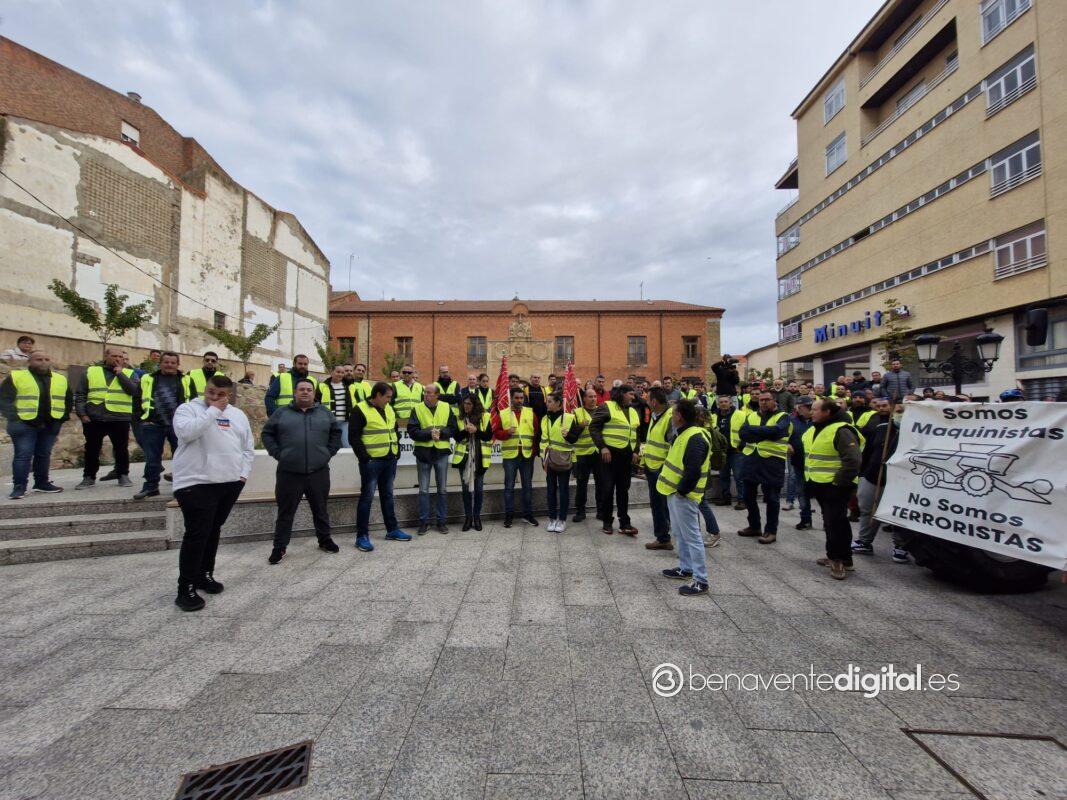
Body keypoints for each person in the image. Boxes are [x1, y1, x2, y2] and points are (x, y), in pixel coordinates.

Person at [171, 374, 255, 611]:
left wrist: (242, 475)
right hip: (195, 482)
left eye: (221, 395)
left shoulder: (238, 415)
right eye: (211, 393)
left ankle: (204, 574)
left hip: (228, 482)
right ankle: (185, 588)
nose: (214, 397)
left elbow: (247, 447)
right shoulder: (188, 410)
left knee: (213, 530)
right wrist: (213, 410)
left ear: (230, 395)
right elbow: (187, 434)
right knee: (197, 533)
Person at [262, 378, 341, 564]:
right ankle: (279, 547)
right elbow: (267, 434)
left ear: (313, 393)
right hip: (289, 472)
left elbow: (336, 433)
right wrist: (278, 453)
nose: (305, 392)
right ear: (295, 393)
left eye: (309, 389)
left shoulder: (325, 413)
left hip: (318, 471)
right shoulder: (282, 413)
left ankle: (325, 540)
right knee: (286, 512)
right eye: (301, 389)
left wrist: (328, 453)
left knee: (320, 509)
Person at [803, 399, 862, 580]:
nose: (811, 412)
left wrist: (838, 483)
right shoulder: (814, 429)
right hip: (820, 483)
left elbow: (853, 460)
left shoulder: (841, 430)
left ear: (827, 412)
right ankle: (843, 557)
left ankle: (837, 560)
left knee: (834, 523)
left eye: (814, 410)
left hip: (835, 486)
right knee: (835, 521)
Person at [657, 399, 711, 596]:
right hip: (674, 492)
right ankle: (685, 568)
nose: (671, 417)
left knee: (692, 537)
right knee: (679, 533)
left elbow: (693, 470)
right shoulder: (683, 433)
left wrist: (682, 491)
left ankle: (701, 580)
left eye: (673, 414)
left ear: (679, 416)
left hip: (685, 495)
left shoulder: (695, 437)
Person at [350, 381, 412, 551]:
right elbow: (353, 437)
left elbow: (394, 430)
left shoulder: (389, 408)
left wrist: (397, 451)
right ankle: (362, 536)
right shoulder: (359, 409)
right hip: (372, 462)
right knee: (367, 498)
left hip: (389, 459)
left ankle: (392, 530)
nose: (389, 400)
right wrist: (365, 458)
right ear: (377, 395)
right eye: (387, 397)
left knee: (388, 496)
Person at [0, 349, 70, 498]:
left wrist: (62, 418)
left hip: (50, 424)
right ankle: (19, 487)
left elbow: (68, 399)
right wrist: (14, 417)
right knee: (23, 455)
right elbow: (4, 399)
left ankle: (41, 483)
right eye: (39, 359)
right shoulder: (17, 376)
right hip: (24, 424)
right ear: (29, 361)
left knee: (44, 454)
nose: (43, 362)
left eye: (46, 359)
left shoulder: (60, 379)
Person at [852, 400, 909, 563]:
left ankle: (901, 546)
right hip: (873, 475)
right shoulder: (881, 428)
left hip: (900, 481)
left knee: (898, 513)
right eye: (898, 411)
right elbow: (867, 451)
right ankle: (864, 541)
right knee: (868, 509)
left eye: (903, 412)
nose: (900, 415)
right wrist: (862, 473)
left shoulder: (914, 432)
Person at [74, 346, 139, 489]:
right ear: (106, 357)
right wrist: (82, 414)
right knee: (92, 449)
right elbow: (80, 394)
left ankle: (123, 475)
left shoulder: (130, 373)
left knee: (121, 449)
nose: (117, 359)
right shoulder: (91, 371)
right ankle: (88, 477)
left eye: (120, 357)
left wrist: (120, 374)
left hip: (119, 417)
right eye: (114, 356)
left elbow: (134, 391)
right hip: (95, 417)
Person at [736, 390, 791, 544]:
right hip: (751, 460)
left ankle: (771, 531)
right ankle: (754, 526)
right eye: (761, 400)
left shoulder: (783, 416)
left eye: (767, 399)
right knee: (748, 496)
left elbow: (777, 431)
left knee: (772, 498)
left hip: (772, 462)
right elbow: (743, 434)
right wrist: (766, 433)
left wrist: (754, 430)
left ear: (774, 401)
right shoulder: (752, 415)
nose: (764, 402)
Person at [589, 384, 640, 536]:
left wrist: (635, 451)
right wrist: (602, 447)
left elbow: (635, 433)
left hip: (626, 457)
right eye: (631, 394)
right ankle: (607, 522)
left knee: (623, 490)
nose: (633, 397)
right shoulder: (607, 406)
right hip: (608, 456)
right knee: (607, 489)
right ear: (622, 393)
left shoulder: (633, 411)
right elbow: (594, 427)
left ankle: (624, 523)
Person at [134, 351, 186, 500]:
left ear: (177, 364)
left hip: (178, 425)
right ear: (160, 363)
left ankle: (181, 488)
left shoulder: (185, 380)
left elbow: (193, 400)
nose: (169, 365)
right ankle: (150, 487)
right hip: (153, 424)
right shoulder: (148, 379)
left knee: (182, 457)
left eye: (173, 363)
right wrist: (141, 419)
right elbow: (137, 399)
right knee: (152, 458)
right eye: (166, 362)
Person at [409, 384, 456, 534]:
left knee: (442, 489)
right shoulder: (417, 408)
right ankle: (424, 522)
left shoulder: (446, 407)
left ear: (437, 395)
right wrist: (429, 434)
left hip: (441, 452)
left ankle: (441, 521)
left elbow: (453, 428)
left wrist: (441, 433)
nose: (426, 395)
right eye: (425, 392)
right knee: (423, 490)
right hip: (423, 453)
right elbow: (412, 431)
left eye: (429, 393)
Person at [494, 386, 539, 527]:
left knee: (527, 486)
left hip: (526, 456)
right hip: (510, 457)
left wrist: (533, 452)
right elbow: (496, 433)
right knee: (509, 487)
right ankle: (509, 516)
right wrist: (507, 432)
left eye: (521, 398)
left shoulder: (531, 413)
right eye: (517, 398)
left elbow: (536, 433)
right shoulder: (503, 413)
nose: (519, 400)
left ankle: (528, 515)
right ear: (511, 399)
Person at [541, 391, 581, 532]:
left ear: (558, 403)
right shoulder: (545, 418)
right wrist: (543, 457)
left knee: (563, 490)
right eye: (547, 401)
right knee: (550, 490)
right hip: (549, 459)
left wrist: (568, 435)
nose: (547, 404)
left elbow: (575, 439)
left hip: (564, 459)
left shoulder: (569, 418)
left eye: (550, 401)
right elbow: (542, 439)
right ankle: (552, 519)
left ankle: (562, 520)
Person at [640, 387, 673, 550]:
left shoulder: (670, 417)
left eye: (647, 400)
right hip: (652, 467)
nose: (646, 402)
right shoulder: (655, 415)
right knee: (658, 505)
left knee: (665, 506)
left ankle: (669, 538)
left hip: (662, 469)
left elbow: (675, 445)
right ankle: (663, 537)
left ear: (653, 402)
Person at [453, 393, 492, 531]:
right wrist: (465, 430)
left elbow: (488, 436)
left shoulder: (485, 417)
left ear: (475, 405)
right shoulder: (459, 417)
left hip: (480, 459)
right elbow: (456, 437)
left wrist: (476, 430)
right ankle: (468, 518)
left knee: (479, 490)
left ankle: (477, 517)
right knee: (466, 491)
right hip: (464, 459)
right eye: (464, 403)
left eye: (469, 404)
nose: (466, 406)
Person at [571, 388, 601, 523]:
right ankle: (580, 511)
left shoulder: (601, 411)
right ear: (584, 398)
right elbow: (571, 435)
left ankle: (601, 511)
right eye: (590, 396)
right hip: (582, 455)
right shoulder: (576, 413)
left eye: (594, 396)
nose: (593, 399)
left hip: (599, 453)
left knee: (601, 483)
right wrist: (580, 426)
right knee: (581, 484)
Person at [787, 397, 814, 530]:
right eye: (798, 406)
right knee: (802, 492)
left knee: (823, 496)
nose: (799, 409)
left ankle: (828, 521)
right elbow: (783, 436)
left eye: (802, 406)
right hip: (799, 463)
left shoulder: (820, 421)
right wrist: (786, 444)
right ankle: (806, 519)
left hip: (817, 465)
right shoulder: (792, 421)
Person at [711, 395, 739, 507]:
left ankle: (742, 500)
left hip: (736, 451)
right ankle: (726, 498)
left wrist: (741, 445)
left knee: (739, 476)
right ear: (718, 404)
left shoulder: (739, 414)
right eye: (721, 402)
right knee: (723, 476)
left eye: (726, 401)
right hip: (721, 452)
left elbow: (745, 430)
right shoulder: (713, 416)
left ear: (731, 403)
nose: (723, 403)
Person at [319, 364, 353, 448]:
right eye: (338, 372)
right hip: (329, 423)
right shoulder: (322, 386)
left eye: (342, 372)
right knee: (329, 446)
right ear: (331, 372)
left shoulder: (348, 386)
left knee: (347, 446)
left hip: (344, 422)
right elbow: (316, 403)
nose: (340, 374)